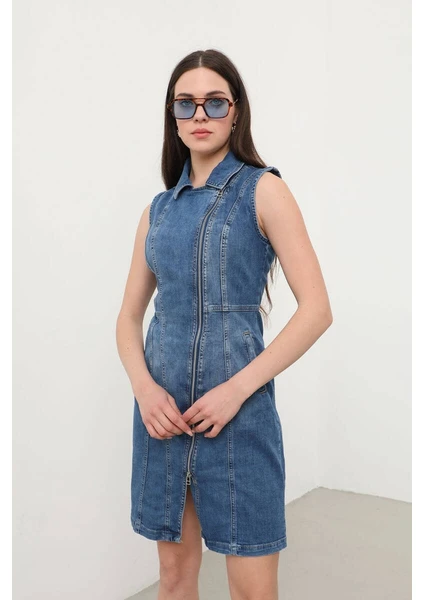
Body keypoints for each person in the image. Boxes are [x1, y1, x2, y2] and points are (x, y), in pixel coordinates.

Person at [116, 49, 333, 600]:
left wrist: (235, 391)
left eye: (215, 102)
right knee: (173, 579)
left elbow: (317, 310)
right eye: (185, 104)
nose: (199, 115)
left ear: (236, 112)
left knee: (253, 591)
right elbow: (129, 316)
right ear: (172, 116)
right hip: (163, 422)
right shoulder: (157, 211)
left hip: (240, 420)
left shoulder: (265, 190)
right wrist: (144, 391)